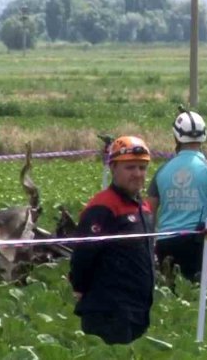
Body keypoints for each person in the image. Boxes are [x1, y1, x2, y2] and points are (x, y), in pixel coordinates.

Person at [69, 135, 156, 345]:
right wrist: (79, 287)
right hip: (108, 311)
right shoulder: (103, 207)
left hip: (137, 310)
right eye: (130, 168)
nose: (137, 174)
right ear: (113, 168)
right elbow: (84, 255)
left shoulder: (143, 208)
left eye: (142, 168)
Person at [147, 109, 207, 281]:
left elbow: (149, 213)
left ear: (176, 137)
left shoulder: (162, 171)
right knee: (195, 299)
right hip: (196, 244)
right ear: (204, 135)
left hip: (164, 244)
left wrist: (149, 246)